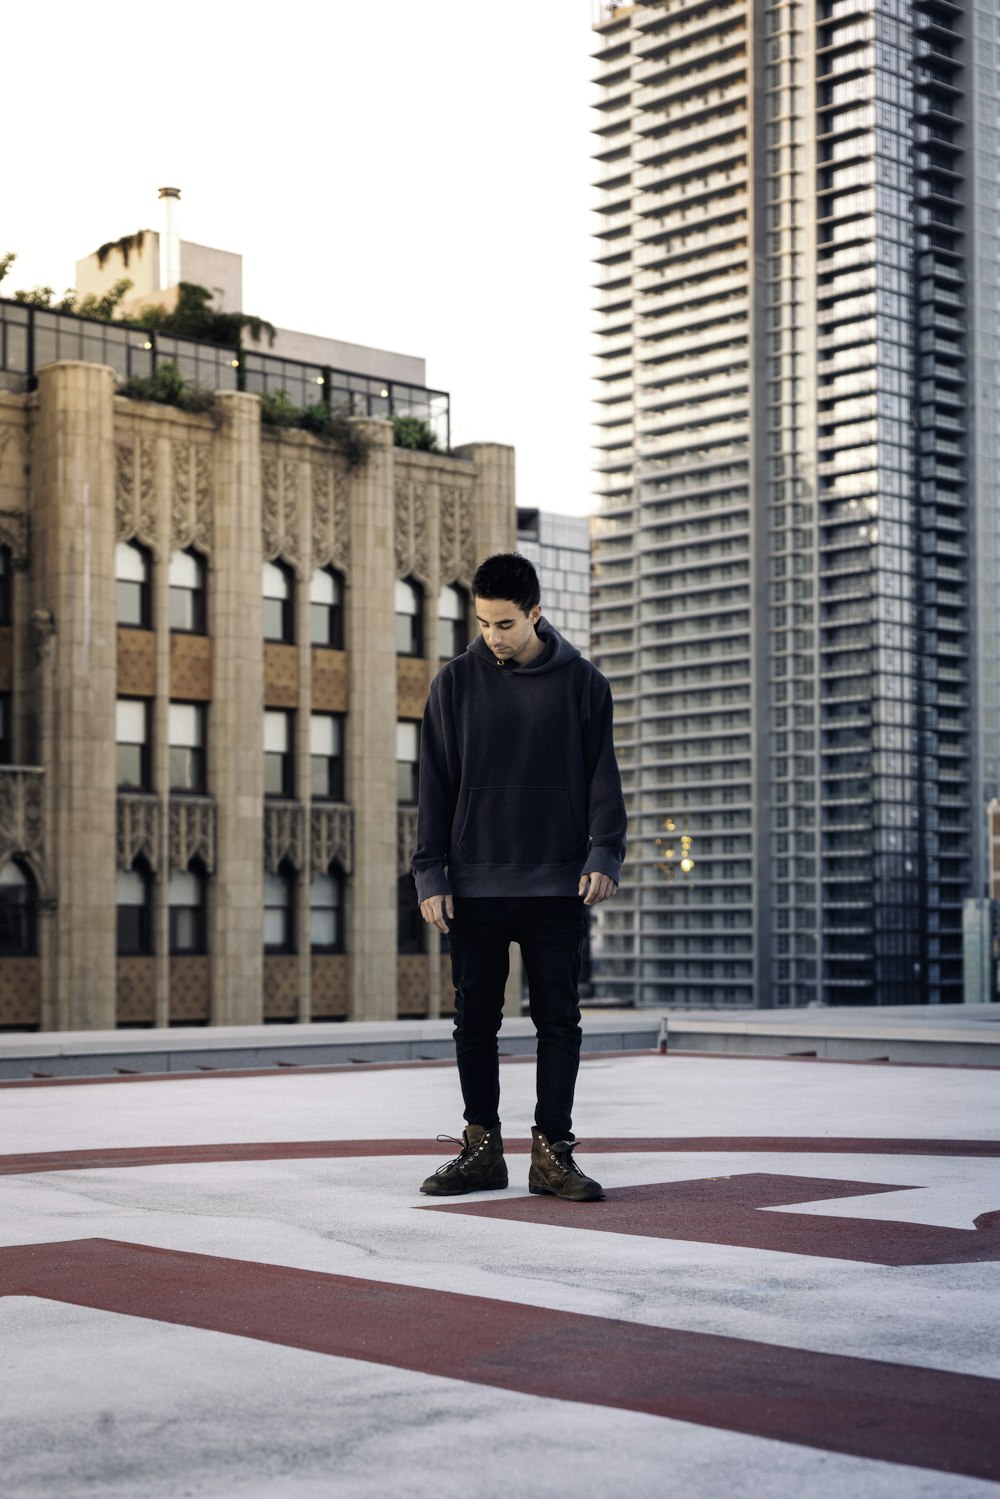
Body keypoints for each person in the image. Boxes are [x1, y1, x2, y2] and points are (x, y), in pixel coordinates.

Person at [411, 552, 626, 1202]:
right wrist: (429, 873)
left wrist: (604, 854)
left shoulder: (584, 685)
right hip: (474, 883)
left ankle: (550, 1153)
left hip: (557, 883)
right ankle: (482, 1150)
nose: (493, 636)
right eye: (483, 623)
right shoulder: (453, 684)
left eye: (505, 623)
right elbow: (433, 784)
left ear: (536, 613)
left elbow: (602, 779)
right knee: (475, 1021)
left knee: (559, 1018)